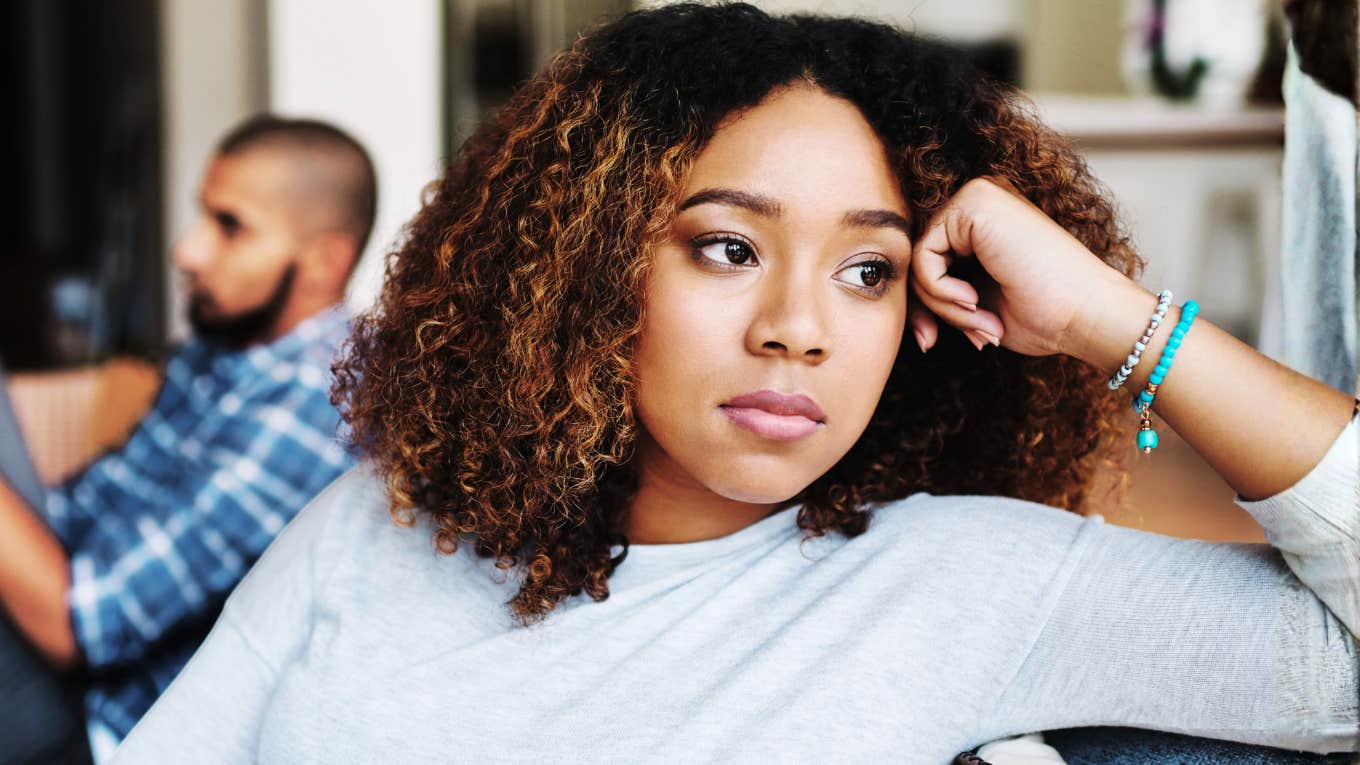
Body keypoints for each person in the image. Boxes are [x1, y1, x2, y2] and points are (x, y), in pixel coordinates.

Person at [113, 5, 1358, 764]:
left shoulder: (967, 584)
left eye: (869, 270)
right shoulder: (368, 533)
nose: (797, 328)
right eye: (727, 247)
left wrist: (1118, 321)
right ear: (588, 272)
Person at [0, 115, 376, 763]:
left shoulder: (315, 401)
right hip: (68, 677)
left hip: (115, 727)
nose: (187, 250)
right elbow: (80, 512)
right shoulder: (226, 350)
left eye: (229, 227)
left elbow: (83, 624)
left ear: (323, 262)